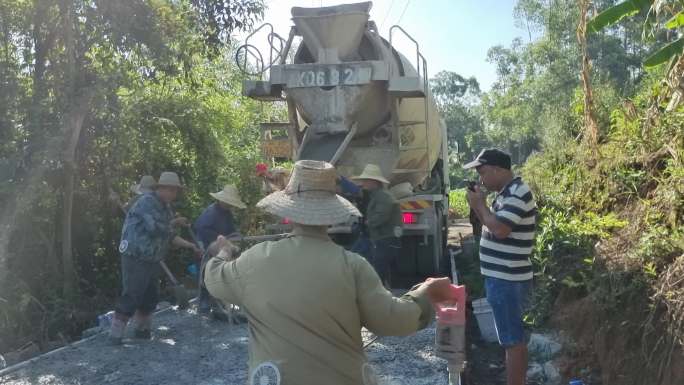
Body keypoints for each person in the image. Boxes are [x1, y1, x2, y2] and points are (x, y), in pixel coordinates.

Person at [203, 160, 454, 385]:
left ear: (289, 211)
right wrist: (423, 293)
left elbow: (214, 279)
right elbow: (394, 319)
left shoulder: (255, 260)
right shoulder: (352, 265)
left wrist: (223, 251)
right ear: (331, 215)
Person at [463, 148, 537, 385]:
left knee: (512, 341)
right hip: (502, 278)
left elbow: (500, 229)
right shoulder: (505, 194)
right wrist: (478, 205)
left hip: (508, 280)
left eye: (483, 172)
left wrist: (479, 204)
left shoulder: (518, 193)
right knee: (512, 340)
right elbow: (490, 224)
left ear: (498, 169)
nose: (481, 179)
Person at [110, 171, 201, 344]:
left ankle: (142, 330)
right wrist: (174, 222)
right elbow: (155, 228)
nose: (174, 195)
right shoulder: (146, 202)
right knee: (133, 292)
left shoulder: (165, 207)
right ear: (163, 189)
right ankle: (115, 333)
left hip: (151, 257)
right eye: (172, 191)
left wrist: (190, 245)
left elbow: (170, 235)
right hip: (135, 254)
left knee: (150, 295)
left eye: (176, 191)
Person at [193, 184, 246, 318]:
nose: (229, 204)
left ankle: (219, 301)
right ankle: (204, 303)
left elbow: (230, 229)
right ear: (221, 200)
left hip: (220, 244)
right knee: (206, 272)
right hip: (207, 245)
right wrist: (219, 239)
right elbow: (201, 228)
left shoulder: (226, 213)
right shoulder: (211, 212)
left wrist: (235, 235)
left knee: (222, 271)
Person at [351, 164, 403, 287]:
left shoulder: (383, 197)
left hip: (386, 238)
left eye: (366, 180)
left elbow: (381, 216)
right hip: (381, 238)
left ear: (374, 182)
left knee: (380, 268)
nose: (363, 183)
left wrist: (369, 222)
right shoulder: (377, 195)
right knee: (379, 267)